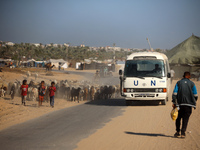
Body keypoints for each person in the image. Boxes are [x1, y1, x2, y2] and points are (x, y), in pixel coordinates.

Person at [172, 72, 198, 138]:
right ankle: (183, 133)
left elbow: (175, 93)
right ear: (189, 76)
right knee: (185, 119)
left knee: (178, 119)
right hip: (188, 105)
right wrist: (193, 101)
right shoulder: (192, 84)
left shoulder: (178, 83)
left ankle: (177, 132)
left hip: (179, 105)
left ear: (183, 76)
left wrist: (174, 102)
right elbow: (195, 95)